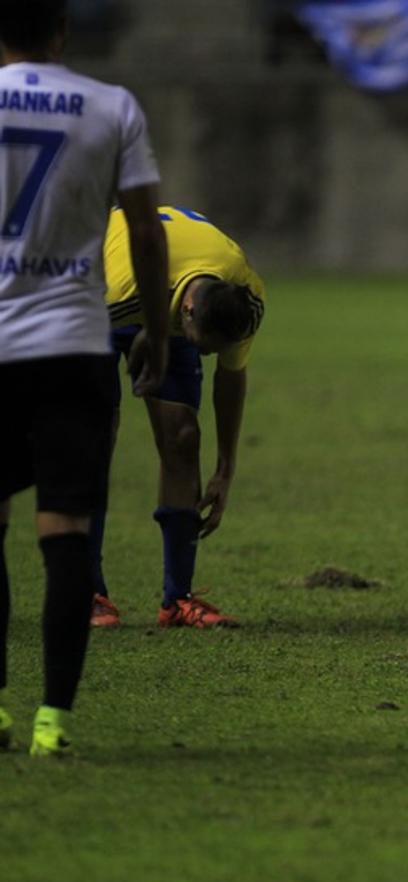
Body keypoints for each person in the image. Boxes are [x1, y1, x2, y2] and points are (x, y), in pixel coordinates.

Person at [0, 0, 169, 756]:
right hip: (72, 344)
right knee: (64, 534)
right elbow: (141, 227)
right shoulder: (111, 106)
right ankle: (54, 720)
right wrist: (157, 332)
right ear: (62, 31)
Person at [89, 206, 266, 630]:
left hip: (167, 294)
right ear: (186, 311)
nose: (206, 354)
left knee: (183, 437)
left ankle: (178, 601)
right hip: (93, 301)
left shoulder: (244, 299)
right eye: (200, 346)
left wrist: (225, 468)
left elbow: (230, 378)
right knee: (94, 437)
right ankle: (87, 592)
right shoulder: (118, 291)